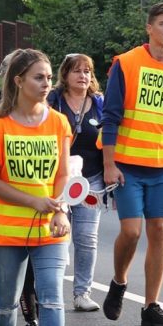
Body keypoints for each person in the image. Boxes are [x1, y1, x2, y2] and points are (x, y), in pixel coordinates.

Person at [0, 49, 75, 326]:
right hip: (6, 230)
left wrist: (59, 209)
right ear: (18, 81)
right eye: (38, 77)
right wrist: (33, 200)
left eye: (49, 77)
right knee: (7, 300)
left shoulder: (58, 123)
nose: (47, 83)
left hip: (51, 228)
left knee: (51, 296)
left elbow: (63, 174)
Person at [100, 1, 163, 326]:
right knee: (131, 232)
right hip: (126, 164)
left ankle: (151, 305)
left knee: (158, 230)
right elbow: (110, 117)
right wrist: (109, 164)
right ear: (149, 28)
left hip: (160, 166)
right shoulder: (127, 63)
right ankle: (119, 281)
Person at [48, 53, 106, 311]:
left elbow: (111, 137)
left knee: (86, 237)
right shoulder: (54, 101)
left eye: (87, 71)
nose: (83, 76)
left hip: (90, 180)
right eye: (77, 71)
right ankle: (50, 292)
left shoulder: (100, 103)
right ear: (65, 75)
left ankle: (82, 293)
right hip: (58, 179)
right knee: (57, 236)